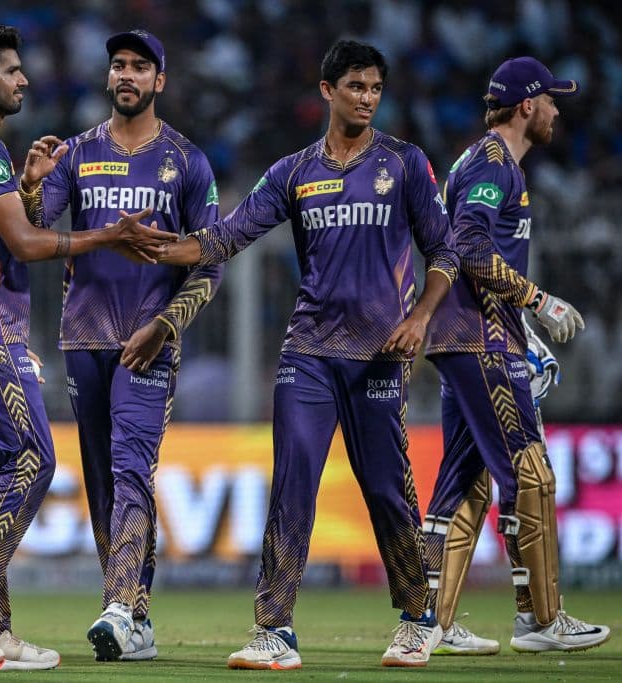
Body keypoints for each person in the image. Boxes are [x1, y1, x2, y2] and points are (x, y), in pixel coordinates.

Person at [156, 39, 459, 669]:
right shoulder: (294, 171)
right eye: (355, 86)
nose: (367, 98)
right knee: (293, 482)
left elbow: (446, 251)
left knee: (384, 487)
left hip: (379, 354)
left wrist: (421, 318)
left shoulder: (404, 164)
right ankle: (274, 630)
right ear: (327, 91)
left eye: (375, 88)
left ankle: (416, 616)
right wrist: (163, 249)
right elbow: (227, 236)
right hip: (309, 352)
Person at [0, 23, 176, 672]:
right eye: (13, 70)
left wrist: (29, 188)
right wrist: (109, 236)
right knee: (32, 457)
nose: (24, 79)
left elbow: (11, 223)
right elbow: (26, 243)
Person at [18, 29, 223, 662]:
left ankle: (117, 606)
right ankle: (135, 616)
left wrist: (165, 325)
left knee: (135, 467)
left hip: (148, 339)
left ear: (160, 80)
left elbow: (210, 263)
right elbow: (33, 232)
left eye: (140, 66)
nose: (126, 74)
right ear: (109, 79)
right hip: (84, 338)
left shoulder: (187, 161)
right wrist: (31, 182)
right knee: (105, 481)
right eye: (118, 66)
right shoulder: (75, 154)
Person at [422, 56, 610, 655]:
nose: (557, 110)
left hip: (471, 335)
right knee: (532, 472)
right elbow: (470, 244)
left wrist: (518, 326)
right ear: (527, 105)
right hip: (479, 341)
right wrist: (536, 300)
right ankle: (541, 620)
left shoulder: (481, 162)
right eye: (551, 100)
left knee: (464, 484)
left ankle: (431, 622)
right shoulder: (493, 164)